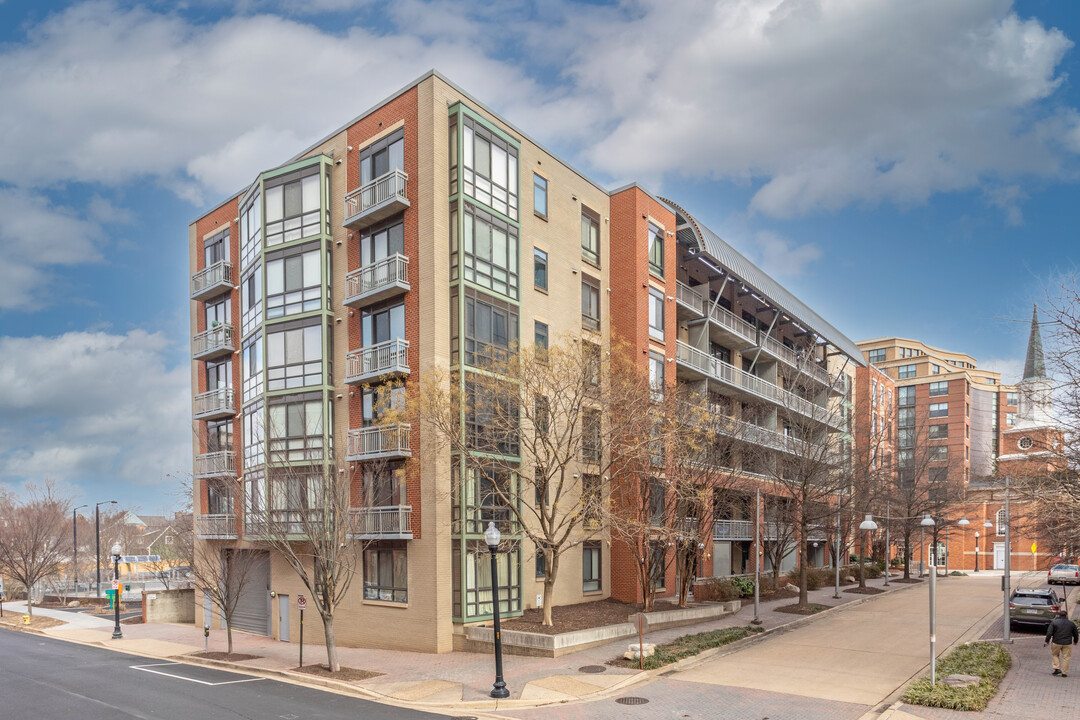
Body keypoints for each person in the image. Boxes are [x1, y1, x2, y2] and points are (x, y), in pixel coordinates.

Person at [1045, 609, 1079, 677]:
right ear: (1066, 615)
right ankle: (1064, 672)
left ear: (1059, 615)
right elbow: (1076, 633)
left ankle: (1057, 668)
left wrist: (1047, 641)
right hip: (1067, 643)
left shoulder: (1054, 622)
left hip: (1056, 642)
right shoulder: (1071, 623)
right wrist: (1075, 641)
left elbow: (1049, 633)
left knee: (1055, 655)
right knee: (1066, 657)